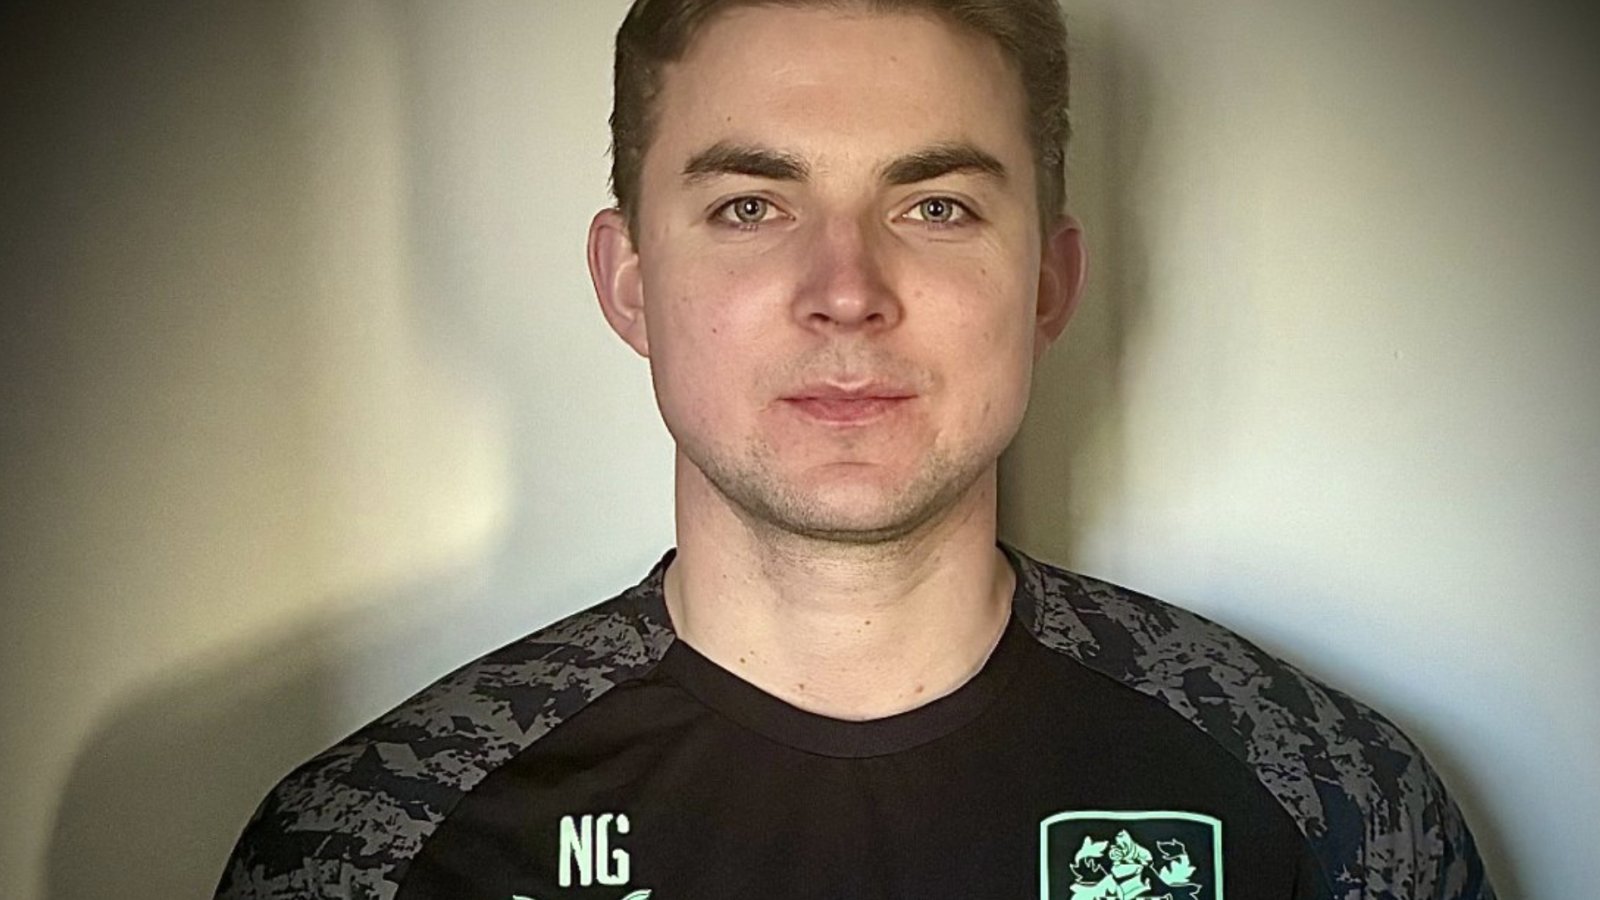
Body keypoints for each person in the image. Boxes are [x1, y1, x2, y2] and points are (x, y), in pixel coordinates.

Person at [215, 1, 1495, 898]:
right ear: (629, 282)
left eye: (934, 206)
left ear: (1047, 284)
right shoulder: (372, 842)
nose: (845, 292)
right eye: (750, 206)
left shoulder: (1331, 804)